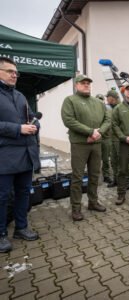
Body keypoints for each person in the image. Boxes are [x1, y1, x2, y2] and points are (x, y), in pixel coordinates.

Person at [0, 57, 39, 253]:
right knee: (2, 197)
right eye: (9, 71)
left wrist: (35, 125)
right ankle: (0, 235)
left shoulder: (20, 95)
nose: (14, 75)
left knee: (23, 193)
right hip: (5, 157)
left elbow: (31, 115)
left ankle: (21, 228)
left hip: (26, 154)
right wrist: (18, 129)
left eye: (16, 72)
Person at [61, 74, 111, 221]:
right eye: (83, 83)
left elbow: (108, 119)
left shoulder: (98, 102)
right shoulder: (70, 100)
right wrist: (90, 131)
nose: (86, 85)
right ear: (76, 85)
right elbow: (69, 120)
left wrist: (99, 132)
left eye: (88, 83)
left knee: (95, 175)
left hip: (96, 144)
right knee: (77, 177)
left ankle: (93, 202)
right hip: (79, 144)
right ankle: (76, 208)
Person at [104, 89, 129, 189]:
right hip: (112, 138)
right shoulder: (111, 107)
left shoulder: (121, 107)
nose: (106, 99)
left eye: (107, 97)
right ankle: (116, 179)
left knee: (123, 161)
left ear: (112, 98)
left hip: (120, 139)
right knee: (113, 161)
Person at [95, 93, 113, 184]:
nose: (100, 101)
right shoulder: (92, 111)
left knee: (106, 159)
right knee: (95, 159)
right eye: (98, 99)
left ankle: (106, 176)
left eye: (101, 99)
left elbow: (111, 123)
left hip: (106, 138)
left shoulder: (109, 110)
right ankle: (95, 177)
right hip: (95, 139)